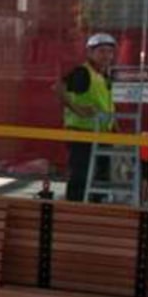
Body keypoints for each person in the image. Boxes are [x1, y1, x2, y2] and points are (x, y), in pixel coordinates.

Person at [55, 32, 117, 201]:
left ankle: (94, 212)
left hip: (101, 134)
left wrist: (114, 126)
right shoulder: (83, 72)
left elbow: (105, 103)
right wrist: (78, 109)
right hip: (83, 133)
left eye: (110, 52)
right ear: (90, 52)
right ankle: (74, 212)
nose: (107, 56)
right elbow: (58, 88)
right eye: (101, 51)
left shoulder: (103, 75)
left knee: (100, 177)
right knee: (81, 176)